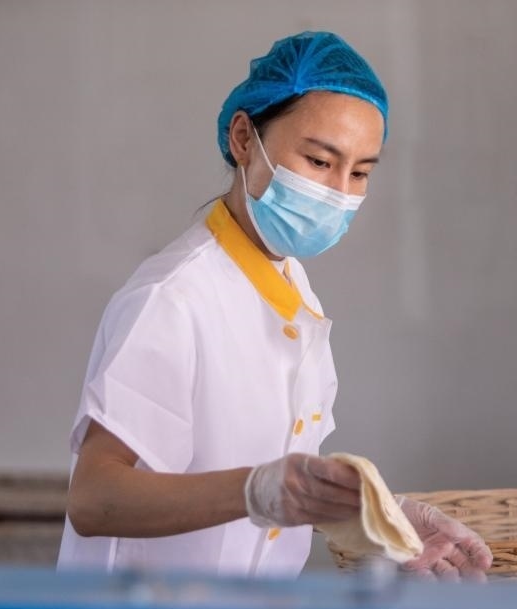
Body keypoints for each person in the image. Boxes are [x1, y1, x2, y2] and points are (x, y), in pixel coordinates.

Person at [58, 31, 492, 581]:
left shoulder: (293, 290)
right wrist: (256, 491)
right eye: (319, 160)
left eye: (360, 172)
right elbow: (94, 498)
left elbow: (278, 487)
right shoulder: (172, 299)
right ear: (244, 138)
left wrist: (380, 520)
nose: (339, 191)